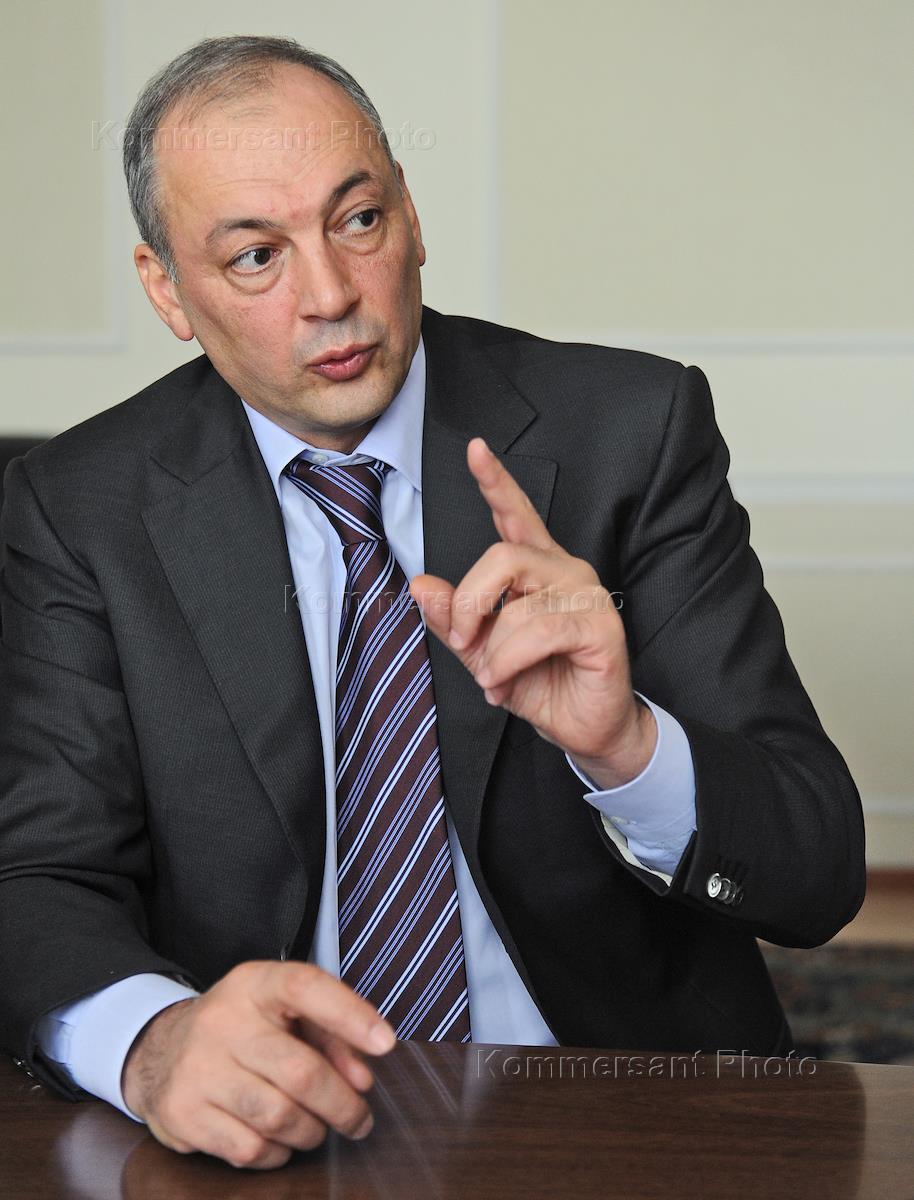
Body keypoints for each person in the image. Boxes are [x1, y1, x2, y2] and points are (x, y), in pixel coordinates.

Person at [0, 35, 864, 1171]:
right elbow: (36, 877)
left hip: (614, 1114)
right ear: (167, 288)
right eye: (256, 257)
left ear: (410, 216)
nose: (330, 296)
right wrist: (155, 1045)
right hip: (267, 1128)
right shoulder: (81, 507)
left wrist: (626, 746)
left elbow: (816, 872)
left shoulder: (627, 435)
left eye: (358, 220)